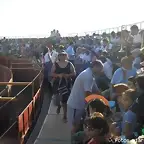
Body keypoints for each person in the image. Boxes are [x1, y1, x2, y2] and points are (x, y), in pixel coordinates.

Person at [67, 60, 103, 133]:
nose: (101, 71)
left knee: (79, 125)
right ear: (95, 67)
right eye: (100, 68)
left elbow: (95, 89)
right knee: (75, 126)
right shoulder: (88, 76)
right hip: (75, 105)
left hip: (80, 105)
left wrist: (103, 98)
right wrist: (90, 108)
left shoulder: (90, 74)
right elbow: (87, 93)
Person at [51, 51, 76, 122]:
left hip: (66, 83)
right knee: (58, 98)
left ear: (66, 56)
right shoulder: (55, 64)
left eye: (64, 55)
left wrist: (68, 75)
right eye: (61, 55)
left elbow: (74, 73)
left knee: (65, 99)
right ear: (58, 56)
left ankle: (65, 115)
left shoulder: (69, 64)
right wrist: (58, 75)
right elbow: (51, 73)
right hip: (57, 83)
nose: (62, 56)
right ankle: (59, 106)